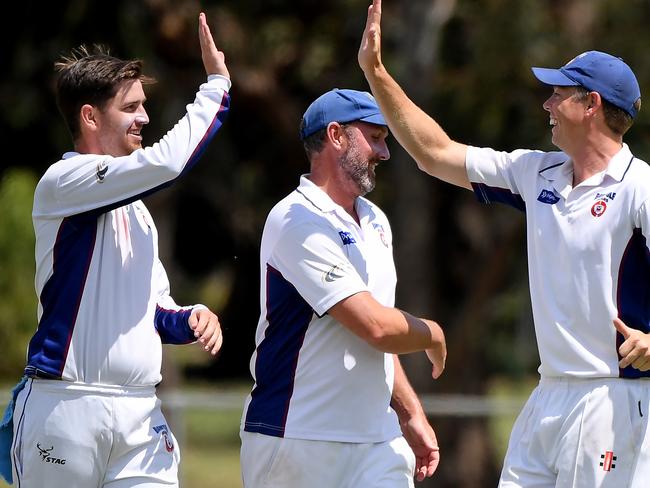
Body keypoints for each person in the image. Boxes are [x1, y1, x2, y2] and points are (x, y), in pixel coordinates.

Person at [358, 1, 650, 486]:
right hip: (547, 393)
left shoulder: (640, 188)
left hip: (613, 402)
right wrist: (376, 72)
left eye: (558, 95)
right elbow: (435, 153)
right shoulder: (535, 172)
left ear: (591, 104)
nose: (547, 105)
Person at [0, 12, 230, 488]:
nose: (144, 118)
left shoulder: (139, 212)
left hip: (141, 414)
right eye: (131, 107)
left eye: (143, 106)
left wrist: (190, 318)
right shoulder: (64, 182)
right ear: (90, 116)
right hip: (65, 409)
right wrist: (216, 87)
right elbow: (167, 162)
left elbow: (154, 310)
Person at [239, 88, 447, 488]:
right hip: (297, 438)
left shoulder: (375, 220)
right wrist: (433, 334)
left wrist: (408, 412)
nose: (385, 153)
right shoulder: (296, 219)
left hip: (377, 439)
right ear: (336, 135)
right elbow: (376, 327)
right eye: (376, 137)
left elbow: (379, 322)